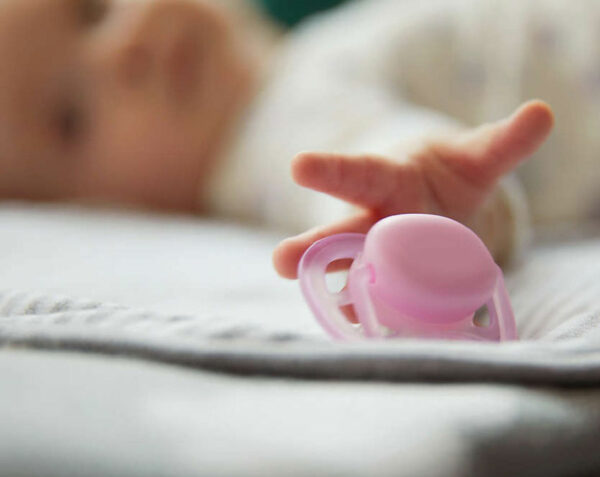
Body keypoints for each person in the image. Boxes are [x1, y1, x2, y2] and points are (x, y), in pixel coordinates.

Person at [0, 0, 565, 282]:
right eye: (71, 117)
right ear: (96, 208)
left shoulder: (291, 60)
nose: (123, 52)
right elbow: (364, 159)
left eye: (93, 9)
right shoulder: (269, 140)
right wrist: (422, 202)